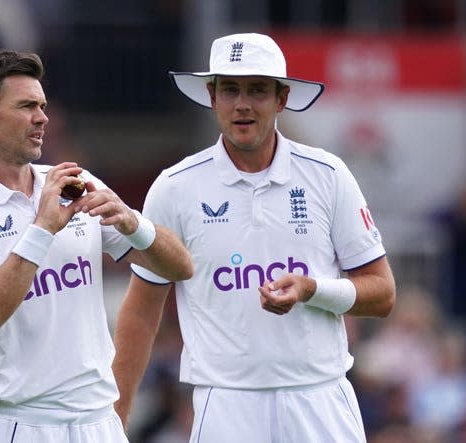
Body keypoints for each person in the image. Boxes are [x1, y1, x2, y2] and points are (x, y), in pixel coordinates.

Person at [112, 32, 396, 443]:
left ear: (281, 99)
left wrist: (311, 289)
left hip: (319, 397)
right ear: (212, 96)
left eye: (257, 90)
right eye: (230, 90)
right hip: (226, 405)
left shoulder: (327, 175)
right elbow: (141, 311)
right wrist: (116, 418)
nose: (242, 104)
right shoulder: (175, 187)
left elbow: (383, 293)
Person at [0, 46, 193, 443]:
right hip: (18, 423)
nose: (43, 117)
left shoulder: (74, 183)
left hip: (99, 421)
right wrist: (42, 229)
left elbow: (181, 267)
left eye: (42, 105)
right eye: (27, 106)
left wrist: (134, 224)